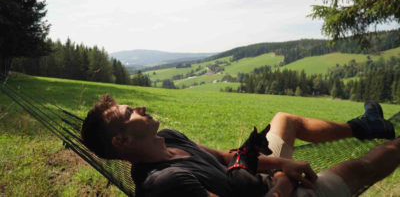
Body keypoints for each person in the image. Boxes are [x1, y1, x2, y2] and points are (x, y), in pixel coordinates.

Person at [81, 94, 398, 197]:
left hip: (262, 177)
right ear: (121, 140)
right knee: (361, 168)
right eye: (129, 113)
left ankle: (366, 126)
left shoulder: (171, 137)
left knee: (284, 119)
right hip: (279, 193)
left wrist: (282, 165)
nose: (141, 110)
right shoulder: (166, 183)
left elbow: (227, 157)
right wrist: (284, 182)